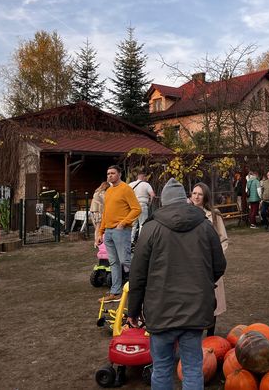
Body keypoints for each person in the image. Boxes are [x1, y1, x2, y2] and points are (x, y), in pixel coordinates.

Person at [127, 178, 226, 389]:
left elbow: (137, 275)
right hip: (194, 309)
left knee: (162, 368)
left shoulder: (150, 229)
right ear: (185, 199)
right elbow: (219, 266)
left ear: (163, 202)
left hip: (161, 310)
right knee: (192, 368)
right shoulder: (205, 227)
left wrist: (133, 311)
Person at [95, 165, 141, 303]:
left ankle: (143, 284)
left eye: (113, 173)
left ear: (119, 174)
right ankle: (115, 292)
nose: (110, 175)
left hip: (121, 231)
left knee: (125, 260)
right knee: (113, 262)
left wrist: (123, 223)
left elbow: (136, 209)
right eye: (108, 173)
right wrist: (100, 232)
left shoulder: (126, 189)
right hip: (108, 232)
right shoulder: (108, 191)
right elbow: (105, 213)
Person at [190, 182, 228, 336]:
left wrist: (217, 258)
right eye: (194, 193)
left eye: (200, 194)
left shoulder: (213, 215)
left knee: (213, 302)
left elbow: (223, 239)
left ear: (205, 196)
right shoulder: (187, 215)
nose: (196, 196)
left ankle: (210, 335)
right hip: (193, 266)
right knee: (195, 302)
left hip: (211, 266)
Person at [128, 171, 155, 246]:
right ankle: (140, 242)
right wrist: (149, 203)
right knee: (142, 224)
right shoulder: (146, 184)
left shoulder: (130, 185)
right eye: (146, 177)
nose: (146, 178)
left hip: (132, 207)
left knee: (133, 224)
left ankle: (131, 241)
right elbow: (152, 195)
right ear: (143, 176)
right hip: (142, 205)